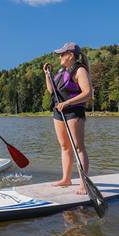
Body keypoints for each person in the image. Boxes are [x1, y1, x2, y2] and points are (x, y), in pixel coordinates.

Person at [43, 42, 93, 194]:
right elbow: (51, 90)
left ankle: (84, 184)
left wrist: (68, 103)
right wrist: (47, 75)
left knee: (78, 147)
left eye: (62, 54)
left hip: (73, 112)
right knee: (65, 146)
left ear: (70, 55)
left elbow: (88, 93)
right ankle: (66, 179)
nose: (59, 56)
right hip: (59, 112)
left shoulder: (80, 70)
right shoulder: (61, 71)